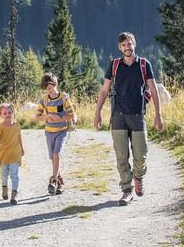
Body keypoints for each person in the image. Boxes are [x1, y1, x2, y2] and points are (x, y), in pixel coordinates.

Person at [94, 32, 164, 206]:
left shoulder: (143, 64)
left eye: (129, 44)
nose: (127, 47)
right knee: (121, 156)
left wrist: (158, 115)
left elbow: (154, 90)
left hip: (138, 115)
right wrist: (97, 113)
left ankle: (138, 177)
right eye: (124, 45)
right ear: (120, 48)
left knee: (141, 155)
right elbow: (104, 91)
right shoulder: (115, 65)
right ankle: (126, 190)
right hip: (118, 116)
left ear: (135, 44)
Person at [36, 73, 77, 195]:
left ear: (55, 84)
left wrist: (60, 119)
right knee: (53, 158)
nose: (48, 86)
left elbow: (72, 114)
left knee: (57, 154)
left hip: (62, 131)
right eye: (46, 85)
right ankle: (59, 182)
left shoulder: (63, 97)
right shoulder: (44, 100)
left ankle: (53, 180)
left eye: (50, 84)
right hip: (49, 132)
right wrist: (48, 116)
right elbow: (37, 117)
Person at [0, 103, 24, 205]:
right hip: (4, 154)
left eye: (9, 112)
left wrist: (22, 148)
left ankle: (14, 193)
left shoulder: (17, 125)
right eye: (5, 113)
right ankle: (4, 188)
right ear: (1, 115)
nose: (7, 115)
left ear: (13, 113)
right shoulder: (1, 127)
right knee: (4, 174)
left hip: (15, 154)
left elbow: (19, 137)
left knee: (14, 174)